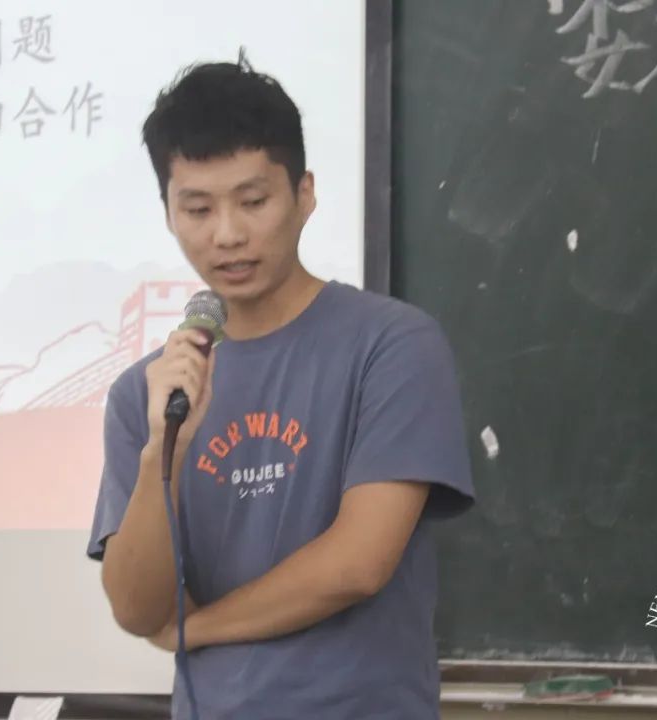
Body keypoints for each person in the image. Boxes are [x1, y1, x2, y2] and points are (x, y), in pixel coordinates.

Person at [87, 56, 475, 719]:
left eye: (253, 201)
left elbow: (358, 564)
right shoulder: (147, 395)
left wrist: (196, 629)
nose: (227, 234)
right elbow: (137, 610)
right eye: (198, 208)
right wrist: (161, 455)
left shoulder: (392, 345)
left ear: (305, 194)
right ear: (169, 214)